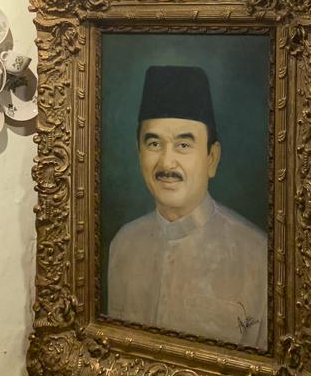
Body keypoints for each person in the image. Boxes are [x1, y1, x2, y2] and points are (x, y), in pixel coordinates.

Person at [107, 65, 268, 349]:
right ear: (139, 152)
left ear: (212, 158)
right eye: (154, 143)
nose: (167, 163)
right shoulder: (123, 244)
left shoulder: (257, 257)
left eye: (183, 145)